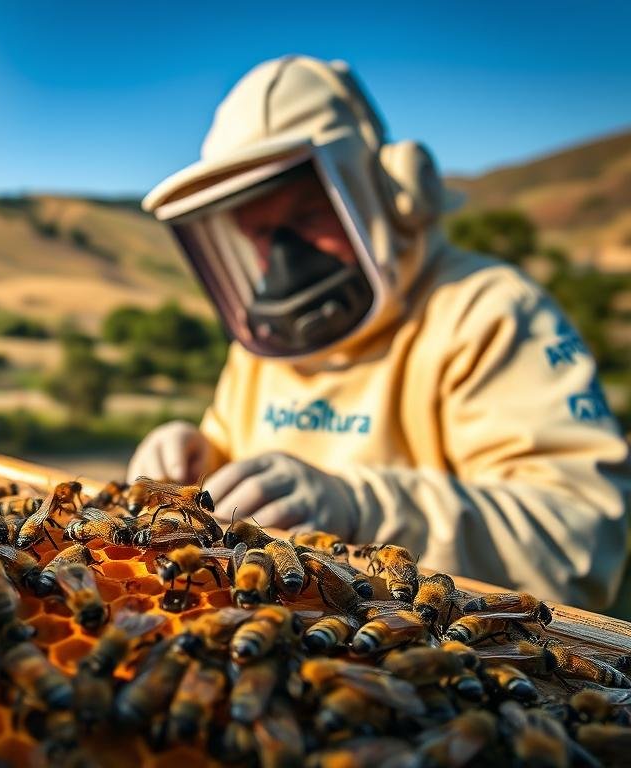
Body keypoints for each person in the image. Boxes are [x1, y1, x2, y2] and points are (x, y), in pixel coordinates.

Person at [127, 55, 631, 610]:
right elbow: (237, 476)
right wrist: (197, 460)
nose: (285, 260)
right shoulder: (264, 342)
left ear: (389, 192)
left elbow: (581, 545)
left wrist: (362, 511)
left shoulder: (488, 311)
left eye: (309, 217)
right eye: (263, 233)